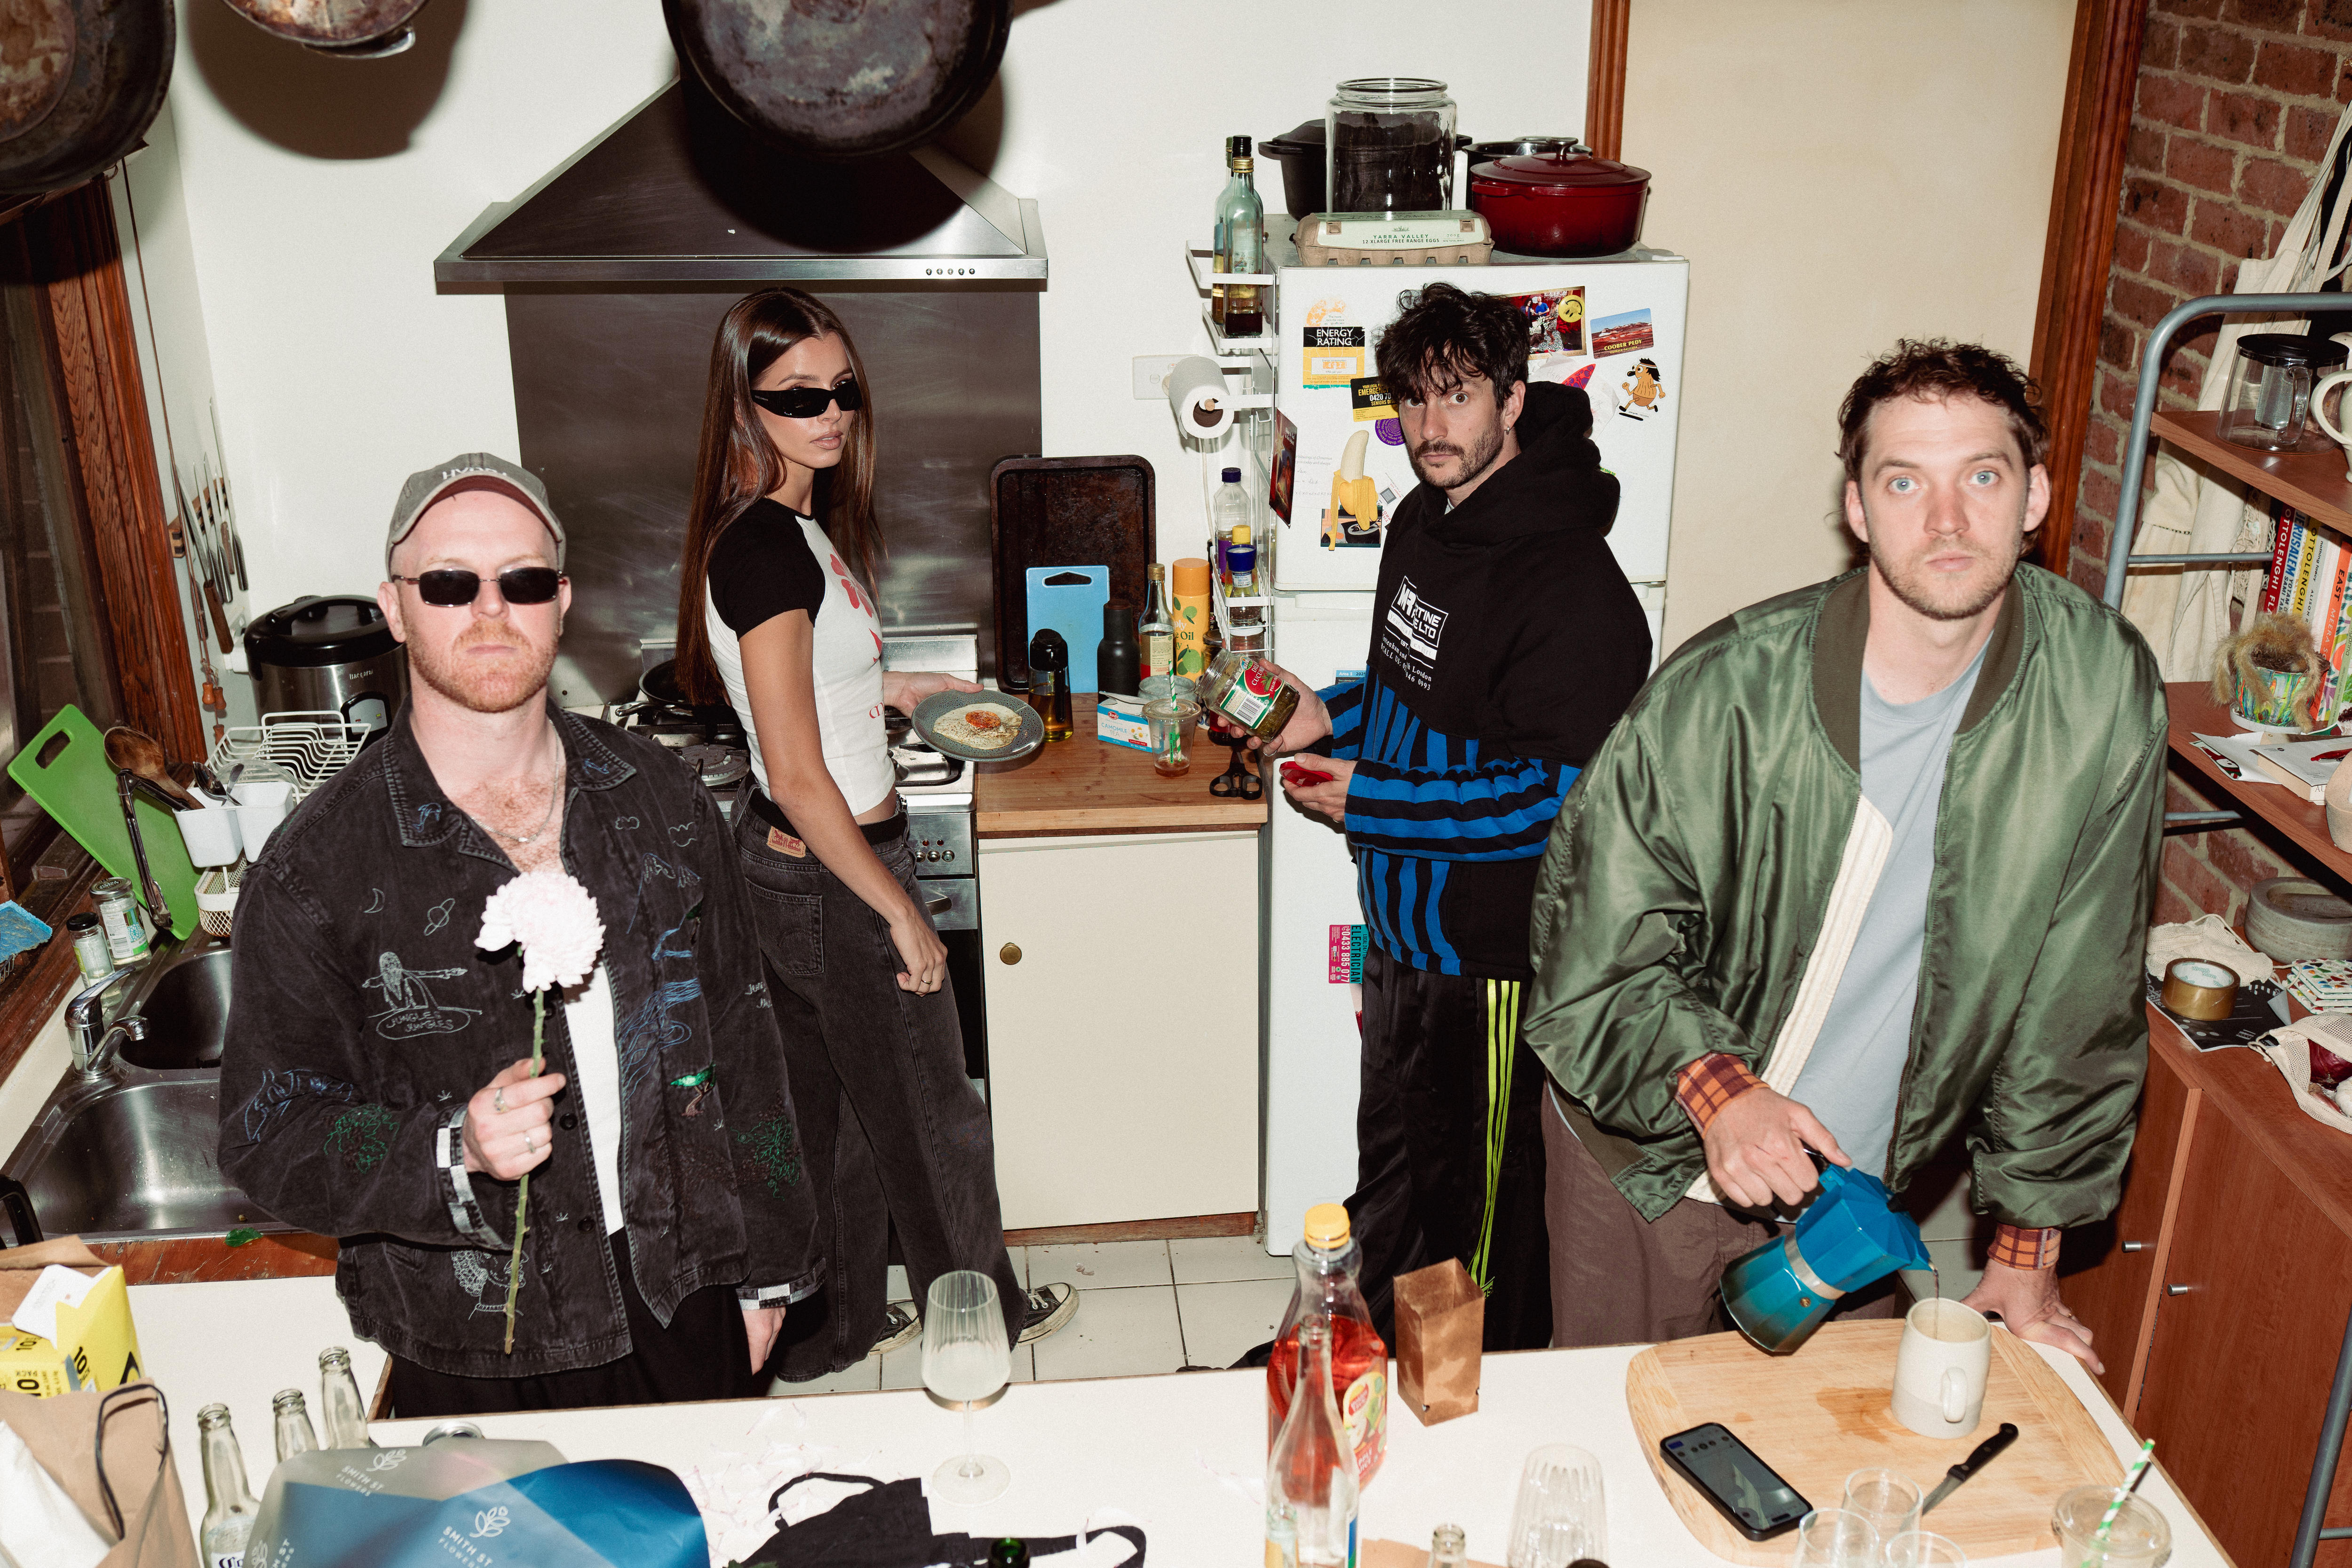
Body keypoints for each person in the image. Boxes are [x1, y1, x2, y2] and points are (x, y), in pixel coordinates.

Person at [1526, 341, 2166, 1368]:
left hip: (1861, 1190)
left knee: (1820, 1474)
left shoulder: (2098, 690)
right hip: (1649, 1155)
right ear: (1858, 508)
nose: (1947, 521)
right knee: (1618, 1440)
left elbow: (2077, 998)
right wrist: (1719, 1090)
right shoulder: (1726, 692)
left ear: (2036, 493)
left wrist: (2025, 1246)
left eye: (1983, 477)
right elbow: (1588, 948)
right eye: (1904, 481)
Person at [219, 454, 822, 1415]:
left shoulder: (662, 801)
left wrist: (771, 1270)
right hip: (474, 1334)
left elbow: (745, 1042)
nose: (491, 610)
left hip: (681, 1290)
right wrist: (448, 1145)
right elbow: (268, 1133)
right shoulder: (316, 869)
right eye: (451, 584)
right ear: (396, 604)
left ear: (562, 599)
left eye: (524, 581)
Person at [1244, 282, 1653, 1350]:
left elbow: (1556, 799)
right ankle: (1356, 1349)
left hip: (1491, 960)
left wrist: (1373, 798)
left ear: (1512, 400)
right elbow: (1409, 684)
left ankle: (1468, 1398)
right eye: (1412, 401)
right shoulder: (1427, 522)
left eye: (1459, 398)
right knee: (1392, 1178)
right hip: (1405, 936)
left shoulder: (1575, 591)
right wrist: (1323, 713)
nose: (1430, 428)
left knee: (1478, 1226)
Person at [672, 288, 1071, 1382]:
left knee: (840, 1117)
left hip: (800, 869)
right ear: (745, 407)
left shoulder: (790, 531)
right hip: (837, 868)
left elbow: (797, 701)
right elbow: (797, 772)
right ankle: (980, 1320)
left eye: (842, 388)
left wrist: (901, 685)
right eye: (799, 395)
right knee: (935, 1113)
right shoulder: (764, 548)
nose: (831, 412)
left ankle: (829, 1328)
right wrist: (899, 910)